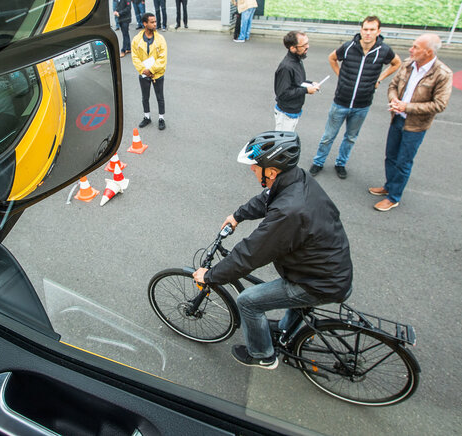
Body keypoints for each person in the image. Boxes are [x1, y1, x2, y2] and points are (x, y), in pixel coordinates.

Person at [193, 131, 353, 369]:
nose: (252, 170)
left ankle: (263, 355)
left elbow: (250, 254)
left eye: (256, 166)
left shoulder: (289, 212)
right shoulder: (297, 180)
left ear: (272, 171)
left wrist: (210, 275)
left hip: (317, 282)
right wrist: (238, 216)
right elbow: (267, 198)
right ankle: (288, 329)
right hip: (328, 267)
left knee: (248, 301)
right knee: (283, 295)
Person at [310, 16, 401, 179]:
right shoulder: (349, 46)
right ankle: (318, 162)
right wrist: (340, 75)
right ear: (361, 30)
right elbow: (332, 58)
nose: (368, 33)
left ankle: (340, 164)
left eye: (372, 30)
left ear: (378, 32)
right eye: (365, 29)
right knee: (328, 136)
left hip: (362, 105)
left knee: (350, 137)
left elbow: (396, 63)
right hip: (341, 102)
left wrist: (380, 78)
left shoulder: (384, 50)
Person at [370, 34, 452, 212]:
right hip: (397, 118)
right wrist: (394, 101)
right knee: (390, 156)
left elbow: (439, 104)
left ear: (428, 52)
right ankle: (389, 186)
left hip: (415, 126)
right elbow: (393, 85)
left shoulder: (443, 74)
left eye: (415, 47)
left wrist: (407, 106)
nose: (410, 49)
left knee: (403, 162)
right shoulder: (408, 64)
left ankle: (393, 197)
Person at [274, 31, 319, 131]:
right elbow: (283, 93)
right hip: (286, 114)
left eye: (307, 43)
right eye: (304, 45)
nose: (308, 47)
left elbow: (297, 82)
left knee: (288, 141)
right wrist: (306, 90)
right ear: (293, 48)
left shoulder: (297, 60)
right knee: (283, 143)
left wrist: (311, 83)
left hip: (293, 111)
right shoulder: (286, 67)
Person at [131, 13, 168, 130]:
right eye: (152, 22)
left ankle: (161, 118)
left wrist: (151, 70)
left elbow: (163, 58)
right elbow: (135, 57)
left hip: (158, 74)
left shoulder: (160, 39)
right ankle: (147, 117)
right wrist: (143, 70)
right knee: (145, 97)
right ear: (145, 24)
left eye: (155, 21)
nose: (155, 24)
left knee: (160, 97)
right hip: (143, 74)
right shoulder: (136, 40)